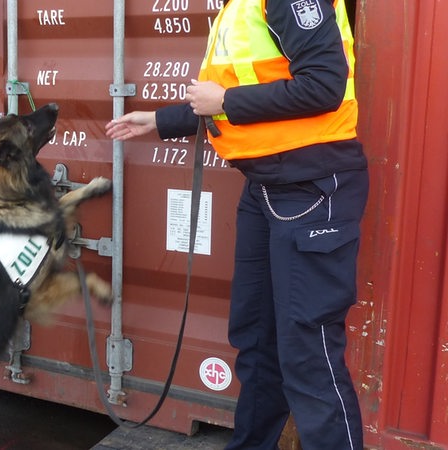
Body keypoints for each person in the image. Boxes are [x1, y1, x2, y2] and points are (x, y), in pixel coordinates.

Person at [105, 1, 367, 449]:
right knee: (259, 344)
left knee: (309, 355)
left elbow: (324, 84)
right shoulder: (240, 6)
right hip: (265, 189)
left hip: (310, 189)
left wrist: (222, 101)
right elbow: (250, 89)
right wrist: (160, 119)